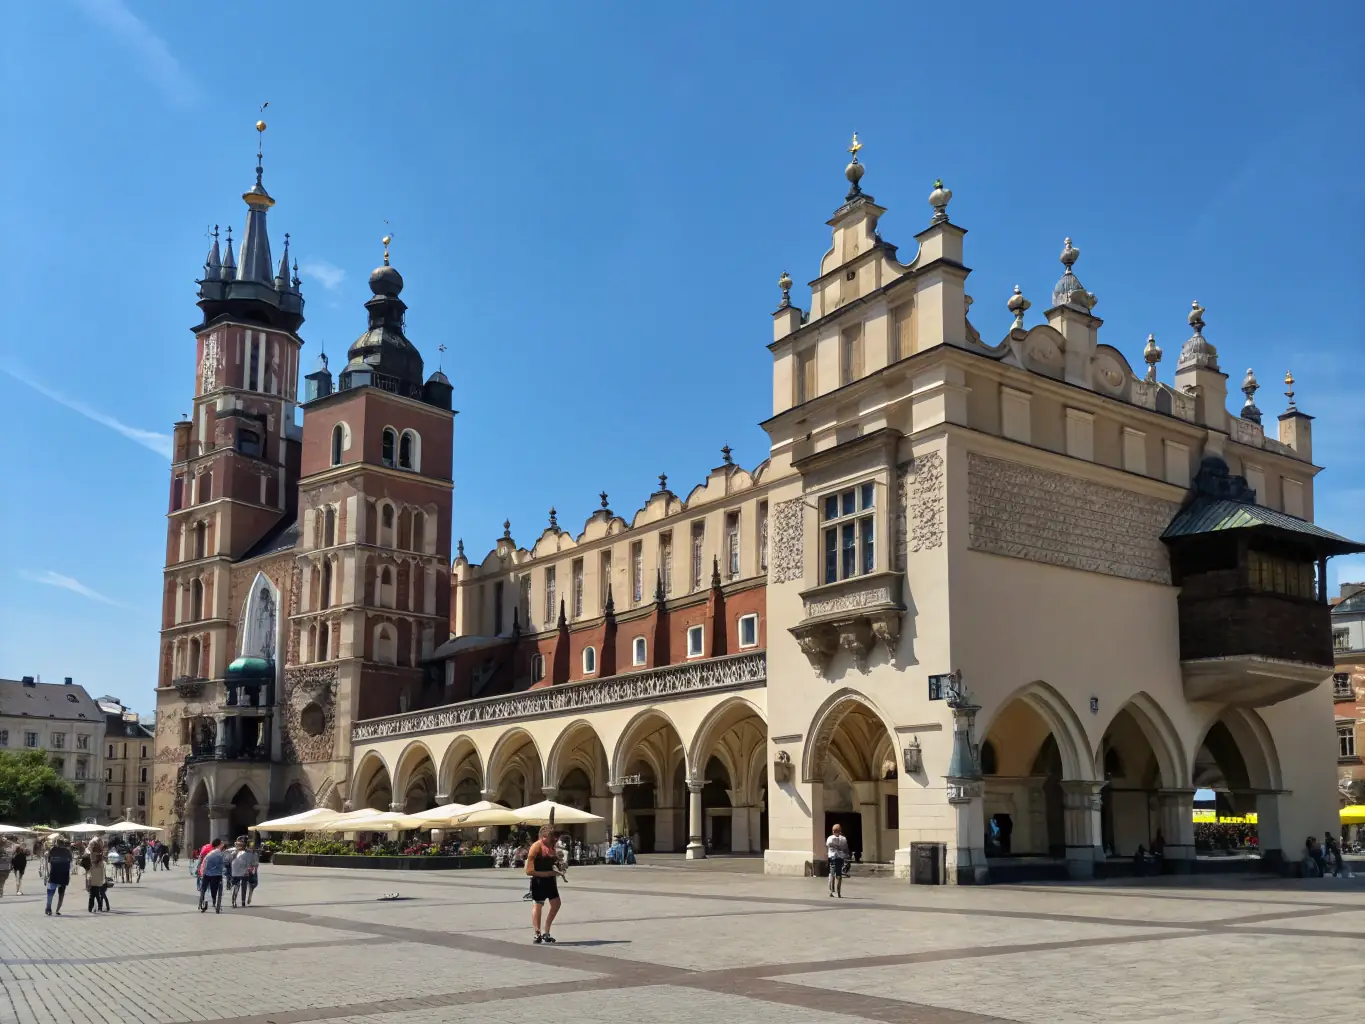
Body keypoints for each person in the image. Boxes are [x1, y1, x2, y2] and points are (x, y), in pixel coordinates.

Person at [525, 825, 562, 944]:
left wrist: (559, 866)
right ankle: (537, 933)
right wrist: (547, 873)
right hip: (539, 880)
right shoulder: (536, 847)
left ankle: (547, 931)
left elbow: (553, 862)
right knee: (538, 905)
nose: (554, 840)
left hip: (550, 880)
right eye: (551, 837)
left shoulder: (551, 847)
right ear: (544, 837)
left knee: (556, 904)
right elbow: (529, 871)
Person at [45, 837, 73, 916]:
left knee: (50, 892)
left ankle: (48, 908)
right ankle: (57, 910)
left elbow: (49, 861)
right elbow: (71, 861)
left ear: (56, 843)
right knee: (61, 893)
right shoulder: (68, 851)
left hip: (54, 873)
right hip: (64, 874)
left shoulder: (52, 850)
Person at [199, 839, 226, 913]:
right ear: (219, 844)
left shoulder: (209, 852)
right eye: (221, 843)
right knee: (215, 890)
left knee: (204, 888)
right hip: (216, 875)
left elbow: (203, 861)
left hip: (206, 874)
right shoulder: (221, 854)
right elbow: (224, 865)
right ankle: (214, 900)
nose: (222, 844)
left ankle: (204, 900)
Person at [230, 838, 258, 908]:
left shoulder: (234, 852)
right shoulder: (251, 853)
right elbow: (254, 864)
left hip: (236, 871)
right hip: (244, 872)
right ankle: (242, 902)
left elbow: (229, 860)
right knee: (244, 886)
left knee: (236, 886)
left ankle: (234, 901)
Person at [825, 823, 850, 898]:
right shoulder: (843, 839)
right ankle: (838, 892)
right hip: (840, 858)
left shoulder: (830, 838)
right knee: (838, 874)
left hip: (833, 858)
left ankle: (833, 891)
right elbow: (845, 849)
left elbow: (827, 846)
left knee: (832, 874)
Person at [85, 842, 110, 913]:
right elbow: (93, 863)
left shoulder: (99, 857)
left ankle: (96, 907)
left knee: (96, 895)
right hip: (94, 879)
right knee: (96, 895)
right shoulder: (93, 855)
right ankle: (97, 907)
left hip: (98, 879)